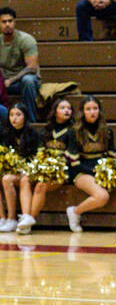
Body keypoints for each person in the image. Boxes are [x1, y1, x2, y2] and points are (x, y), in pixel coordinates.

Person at [12, 97, 72, 234]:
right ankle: (26, 217)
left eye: (69, 108)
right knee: (25, 179)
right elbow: (39, 152)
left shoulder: (73, 131)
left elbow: (71, 157)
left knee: (41, 185)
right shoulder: (46, 130)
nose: (66, 110)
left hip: (62, 171)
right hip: (43, 169)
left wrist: (55, 165)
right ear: (55, 111)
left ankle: (27, 221)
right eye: (62, 108)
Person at [63, 95, 115, 232]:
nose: (92, 112)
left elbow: (110, 157)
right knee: (102, 196)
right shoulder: (74, 132)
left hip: (99, 172)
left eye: (95, 108)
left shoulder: (107, 131)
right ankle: (75, 212)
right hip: (80, 171)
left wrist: (108, 172)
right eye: (88, 109)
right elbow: (74, 162)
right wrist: (94, 172)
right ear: (82, 112)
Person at [0, 104, 42, 233]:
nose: (14, 118)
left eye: (18, 115)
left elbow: (38, 157)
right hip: (13, 171)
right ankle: (4, 218)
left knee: (8, 179)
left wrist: (27, 168)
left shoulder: (33, 134)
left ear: (25, 117)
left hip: (29, 171)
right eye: (12, 115)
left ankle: (14, 218)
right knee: (6, 178)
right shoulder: (5, 134)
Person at [0, 8, 42, 123]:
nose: (7, 24)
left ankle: (31, 121)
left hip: (23, 81)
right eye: (4, 22)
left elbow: (32, 68)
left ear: (15, 22)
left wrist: (10, 80)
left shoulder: (26, 40)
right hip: (4, 82)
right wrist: (3, 79)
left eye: (10, 21)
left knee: (28, 80)